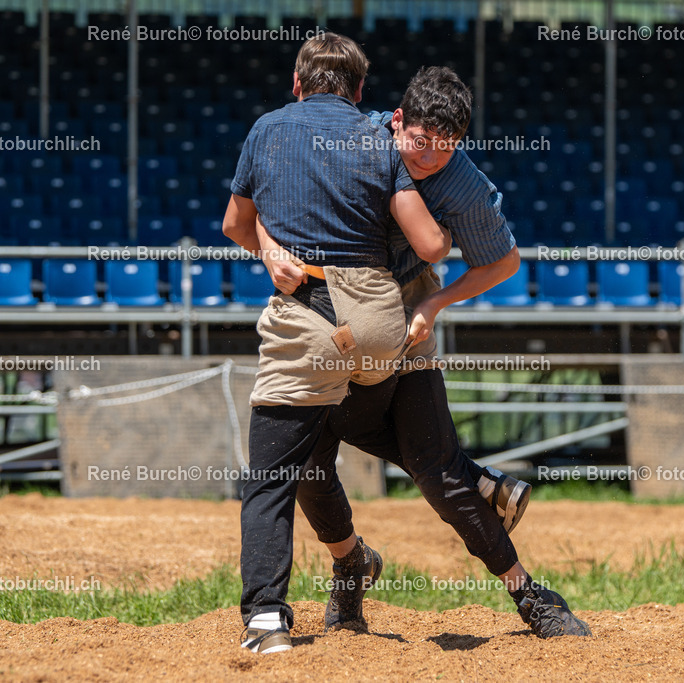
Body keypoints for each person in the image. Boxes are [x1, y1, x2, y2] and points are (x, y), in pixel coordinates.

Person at [253, 66, 592, 640]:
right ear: (397, 120)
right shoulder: (349, 139)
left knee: (437, 474)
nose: (431, 157)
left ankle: (530, 595)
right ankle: (352, 563)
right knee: (310, 463)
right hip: (322, 305)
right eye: (420, 143)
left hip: (406, 310)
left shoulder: (457, 179)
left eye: (447, 146)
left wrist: (435, 304)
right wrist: (267, 251)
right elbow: (261, 197)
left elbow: (504, 263)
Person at [221, 34, 452, 654]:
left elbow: (235, 225)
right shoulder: (380, 138)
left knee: (272, 474)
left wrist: (271, 250)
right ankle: (462, 488)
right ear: (358, 92)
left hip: (307, 320)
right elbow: (430, 246)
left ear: (297, 84)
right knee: (357, 434)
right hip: (381, 326)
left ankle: (267, 619)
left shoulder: (267, 130)